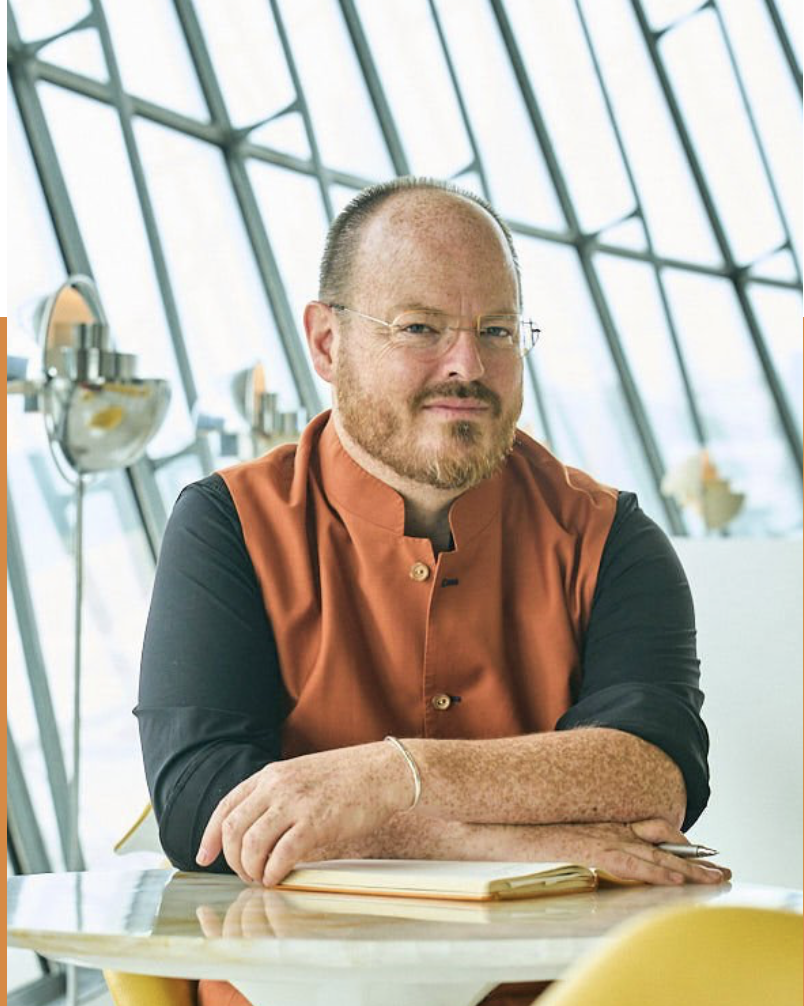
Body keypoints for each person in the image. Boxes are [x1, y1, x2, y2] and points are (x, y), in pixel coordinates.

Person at [137, 177, 728, 1006]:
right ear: (327, 343)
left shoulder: (613, 539)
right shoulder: (225, 522)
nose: (467, 365)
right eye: (420, 327)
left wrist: (389, 779)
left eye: (497, 330)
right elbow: (202, 806)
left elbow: (653, 774)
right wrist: (499, 841)